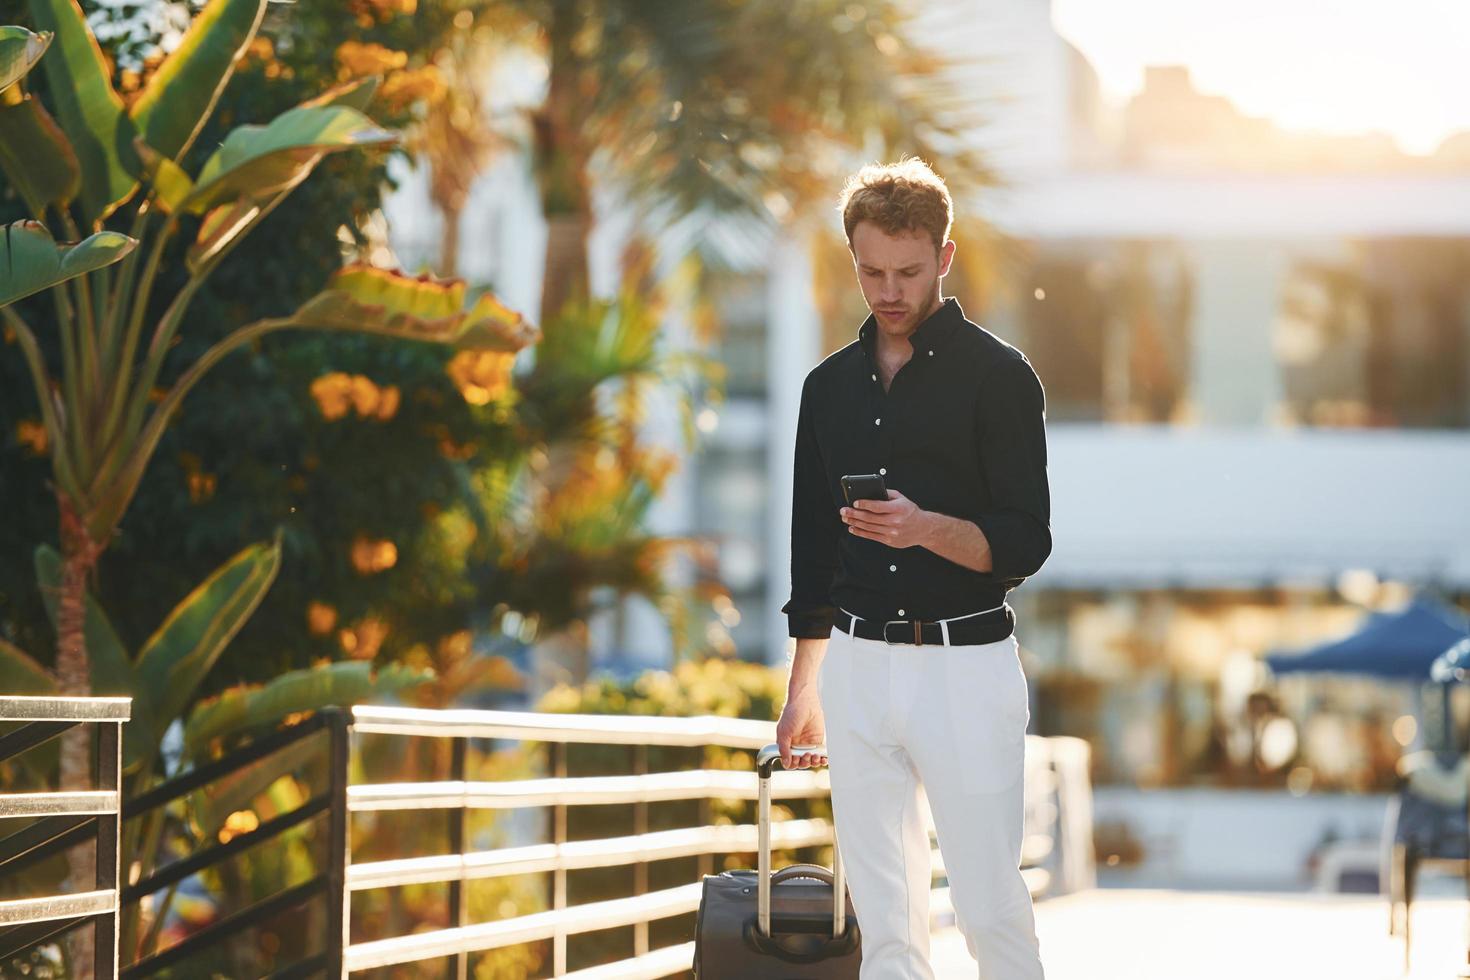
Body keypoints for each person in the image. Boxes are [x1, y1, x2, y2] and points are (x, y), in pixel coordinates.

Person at [776, 157, 1051, 979]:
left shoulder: (1001, 379)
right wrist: (803, 691)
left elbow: (1025, 542)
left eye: (907, 270)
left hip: (965, 668)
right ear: (852, 259)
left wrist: (924, 529)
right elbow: (811, 551)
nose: (889, 290)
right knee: (886, 923)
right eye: (870, 271)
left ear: (945, 257)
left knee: (989, 906)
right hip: (857, 669)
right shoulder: (826, 388)